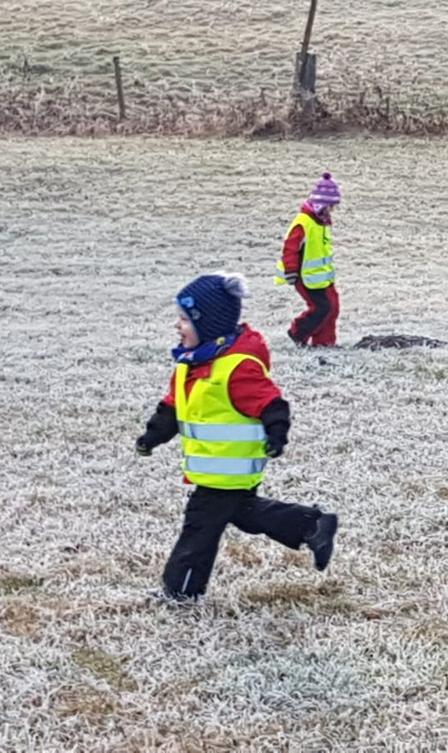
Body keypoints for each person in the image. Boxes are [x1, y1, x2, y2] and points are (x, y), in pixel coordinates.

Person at [136, 272, 339, 602]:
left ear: (210, 324)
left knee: (199, 529)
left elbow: (271, 402)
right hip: (218, 470)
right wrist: (152, 436)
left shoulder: (236, 367)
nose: (177, 326)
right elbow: (173, 408)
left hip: (228, 470)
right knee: (244, 513)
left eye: (185, 319)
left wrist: (277, 434)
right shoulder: (190, 364)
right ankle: (311, 526)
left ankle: (181, 592)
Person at [276, 172, 341, 347]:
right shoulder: (303, 222)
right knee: (322, 308)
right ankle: (298, 332)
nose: (332, 210)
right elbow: (290, 248)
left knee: (332, 307)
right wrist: (290, 271)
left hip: (321, 277)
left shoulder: (322, 221)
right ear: (321, 205)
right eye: (330, 206)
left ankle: (324, 343)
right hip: (304, 277)